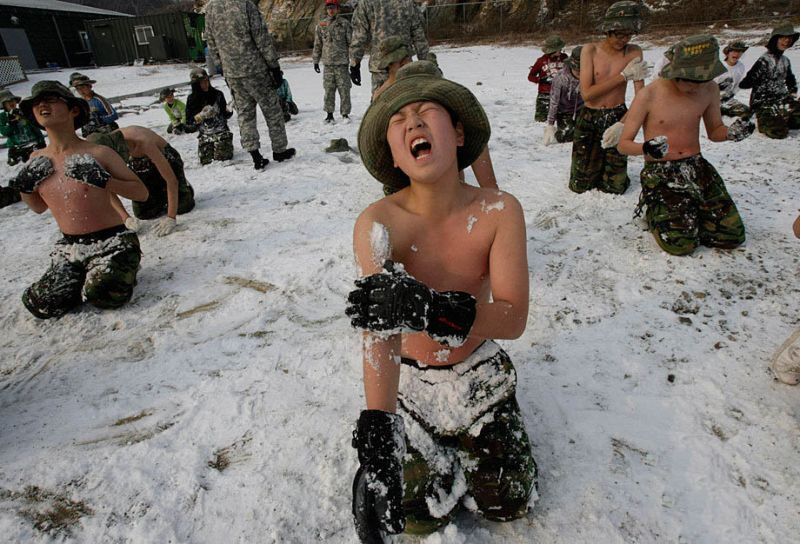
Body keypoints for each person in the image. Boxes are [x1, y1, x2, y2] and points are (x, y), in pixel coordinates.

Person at [346, 61, 537, 541]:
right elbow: (380, 335)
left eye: (426, 110)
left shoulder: (498, 211)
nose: (412, 122)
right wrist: (379, 436)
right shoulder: (378, 224)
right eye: (397, 120)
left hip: (477, 374)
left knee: (509, 500)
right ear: (393, 155)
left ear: (456, 133)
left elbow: (513, 316)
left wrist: (433, 310)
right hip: (412, 386)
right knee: (415, 516)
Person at [8, 81, 148, 319]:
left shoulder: (98, 153)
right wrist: (25, 187)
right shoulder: (37, 159)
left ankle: (117, 268)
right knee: (42, 303)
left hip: (112, 241)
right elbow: (38, 207)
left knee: (104, 295)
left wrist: (103, 180)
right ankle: (79, 276)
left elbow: (141, 193)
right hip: (70, 247)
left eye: (51, 99)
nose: (42, 104)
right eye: (37, 103)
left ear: (74, 110)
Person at [617, 34, 751, 256]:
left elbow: (715, 131)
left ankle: (693, 211)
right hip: (661, 169)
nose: (695, 87)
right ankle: (654, 212)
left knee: (731, 236)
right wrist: (646, 148)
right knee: (681, 244)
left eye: (701, 80)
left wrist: (732, 133)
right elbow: (623, 144)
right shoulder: (649, 95)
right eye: (691, 80)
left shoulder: (709, 90)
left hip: (696, 166)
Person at [570, 0, 650, 195]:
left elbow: (642, 98)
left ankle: (612, 171)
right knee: (580, 186)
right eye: (619, 34)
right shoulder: (590, 50)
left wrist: (624, 123)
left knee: (615, 187)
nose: (624, 39)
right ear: (607, 31)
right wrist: (623, 76)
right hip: (590, 115)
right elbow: (587, 93)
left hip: (617, 114)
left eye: (628, 34)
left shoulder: (634, 52)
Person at [204, 0, 296, 170]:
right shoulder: (245, 5)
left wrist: (222, 67)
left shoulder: (211, 9)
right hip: (256, 70)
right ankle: (279, 150)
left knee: (245, 115)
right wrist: (274, 66)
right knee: (272, 111)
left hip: (233, 73)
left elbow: (210, 41)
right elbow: (261, 37)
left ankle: (255, 155)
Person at [87, 126, 195, 237]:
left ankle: (184, 187)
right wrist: (126, 218)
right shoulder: (102, 153)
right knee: (144, 213)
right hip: (141, 164)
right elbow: (106, 185)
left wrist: (171, 218)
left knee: (183, 206)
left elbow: (171, 180)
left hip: (166, 158)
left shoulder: (143, 142)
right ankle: (161, 193)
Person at [349, 0, 429, 93]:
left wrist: (355, 63)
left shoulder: (366, 3)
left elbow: (359, 35)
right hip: (403, 63)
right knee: (404, 101)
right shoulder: (408, 2)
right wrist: (425, 61)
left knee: (381, 102)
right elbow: (419, 36)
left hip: (381, 65)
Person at [739, 25, 799, 139]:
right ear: (775, 40)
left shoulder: (785, 61)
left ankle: (784, 116)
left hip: (782, 99)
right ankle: (770, 119)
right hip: (763, 102)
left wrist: (793, 94)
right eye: (782, 38)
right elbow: (746, 82)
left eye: (789, 38)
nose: (786, 41)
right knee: (778, 132)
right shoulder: (764, 61)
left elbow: (791, 81)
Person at [313, 0, 352, 123]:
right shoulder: (321, 25)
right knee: (329, 90)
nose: (331, 10)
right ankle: (329, 114)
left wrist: (355, 61)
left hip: (342, 63)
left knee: (344, 90)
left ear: (337, 9)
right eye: (329, 7)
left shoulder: (344, 24)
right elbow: (318, 44)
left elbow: (352, 43)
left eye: (333, 7)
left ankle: (345, 114)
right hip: (328, 64)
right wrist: (315, 60)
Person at [185, 68, 235, 166]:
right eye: (202, 82)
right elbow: (189, 122)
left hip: (221, 132)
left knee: (223, 158)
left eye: (207, 81)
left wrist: (230, 109)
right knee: (206, 161)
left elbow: (225, 115)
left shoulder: (218, 94)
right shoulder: (192, 99)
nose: (205, 84)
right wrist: (200, 116)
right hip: (205, 135)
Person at [544, 45, 584, 144]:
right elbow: (554, 101)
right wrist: (550, 124)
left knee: (583, 136)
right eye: (577, 69)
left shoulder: (591, 76)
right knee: (566, 137)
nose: (579, 72)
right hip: (564, 112)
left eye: (582, 69)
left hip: (583, 110)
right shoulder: (560, 78)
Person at [0, 89, 46, 166]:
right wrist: (12, 124)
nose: (11, 102)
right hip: (16, 147)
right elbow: (4, 132)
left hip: (33, 144)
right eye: (8, 101)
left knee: (39, 164)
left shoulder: (23, 112)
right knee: (17, 168)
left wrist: (41, 141)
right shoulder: (3, 117)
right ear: (3, 104)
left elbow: (34, 127)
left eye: (12, 100)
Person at [528, 35, 568, 123]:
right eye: (559, 49)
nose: (561, 50)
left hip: (561, 94)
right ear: (552, 50)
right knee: (540, 121)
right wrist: (541, 80)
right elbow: (531, 76)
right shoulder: (541, 61)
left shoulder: (565, 58)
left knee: (562, 121)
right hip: (544, 95)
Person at [714, 41, 750, 118]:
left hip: (728, 100)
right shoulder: (718, 66)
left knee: (747, 112)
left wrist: (730, 96)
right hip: (712, 101)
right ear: (728, 53)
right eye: (733, 51)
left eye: (739, 52)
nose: (736, 54)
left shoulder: (740, 67)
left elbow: (737, 85)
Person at [371, 35, 413, 100]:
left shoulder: (418, 80)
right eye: (401, 60)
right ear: (389, 64)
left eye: (406, 57)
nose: (406, 62)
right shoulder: (382, 95)